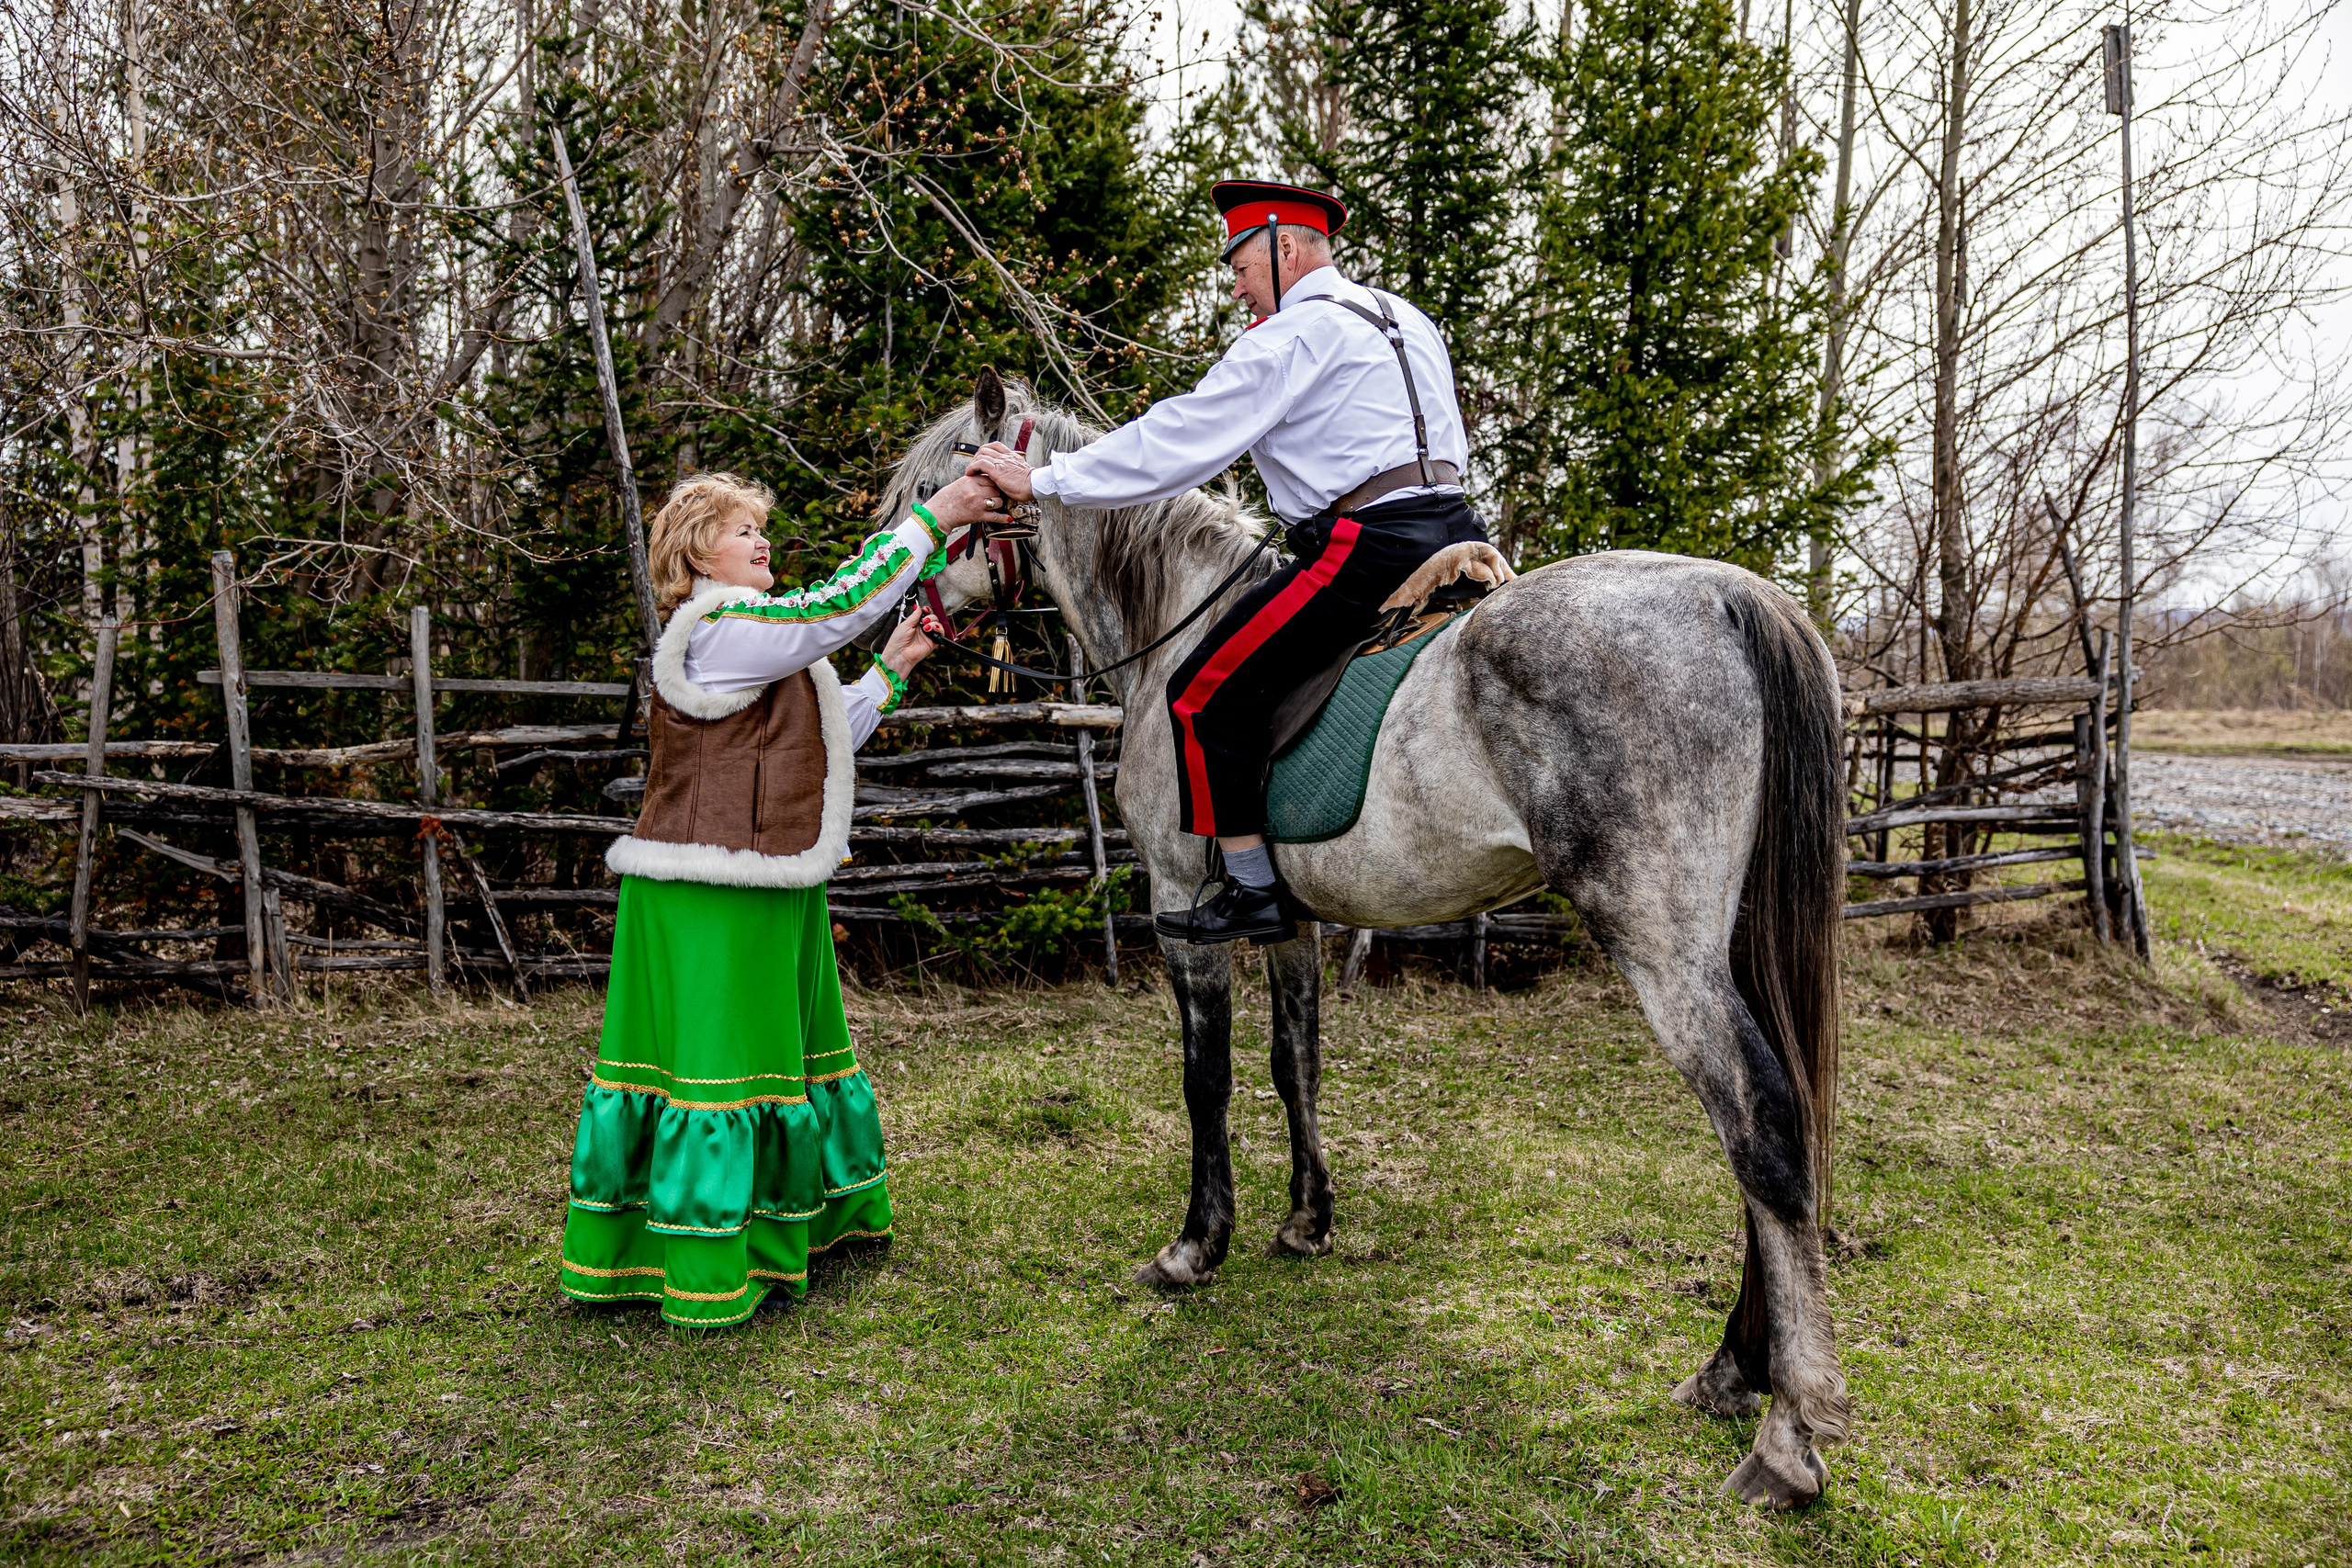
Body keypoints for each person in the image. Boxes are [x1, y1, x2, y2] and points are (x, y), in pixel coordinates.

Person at [964, 180, 1487, 945]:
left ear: (1284, 247)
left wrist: (1043, 480)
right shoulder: (1407, 319)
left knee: (1201, 691)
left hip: (1366, 549)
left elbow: (1180, 442)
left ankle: (1252, 889)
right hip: (1456, 532)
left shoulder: (1289, 337)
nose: (1237, 287)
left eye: (1241, 265)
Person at [559, 468, 1002, 1326]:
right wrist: (933, 518)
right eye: (741, 531)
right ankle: (705, 1260)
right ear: (697, 554)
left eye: (760, 528)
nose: (761, 542)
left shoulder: (752, 638)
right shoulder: (721, 625)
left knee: (770, 1062)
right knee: (722, 1074)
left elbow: (823, 732)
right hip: (708, 892)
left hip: (764, 879)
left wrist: (897, 663)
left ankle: (788, 1226)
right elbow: (833, 607)